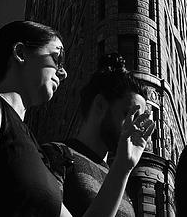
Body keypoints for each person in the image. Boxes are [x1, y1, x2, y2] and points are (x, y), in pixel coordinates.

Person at [0, 20, 154, 217]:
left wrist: (123, 166)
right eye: (57, 58)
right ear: (21, 53)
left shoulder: (36, 151)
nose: (64, 72)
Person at [43, 54, 149, 217]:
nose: (134, 127)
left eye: (139, 121)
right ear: (100, 105)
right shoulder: (56, 155)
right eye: (128, 115)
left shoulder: (123, 185)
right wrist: (121, 169)